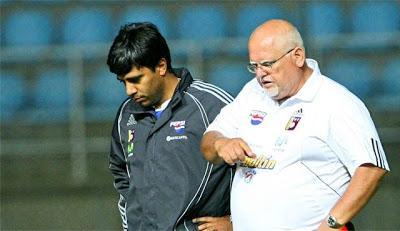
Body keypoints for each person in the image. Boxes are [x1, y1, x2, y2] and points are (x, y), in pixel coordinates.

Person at [201, 19, 389, 230]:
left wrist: (332, 224)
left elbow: (372, 169)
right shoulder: (251, 92)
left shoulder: (337, 102)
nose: (260, 74)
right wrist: (221, 143)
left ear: (297, 56)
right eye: (254, 66)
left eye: (267, 64)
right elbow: (209, 141)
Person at [106, 22, 234, 231]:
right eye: (123, 82)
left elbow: (255, 166)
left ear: (161, 66)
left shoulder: (212, 105)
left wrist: (237, 222)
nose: (129, 90)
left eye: (136, 79)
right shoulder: (125, 115)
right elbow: (122, 177)